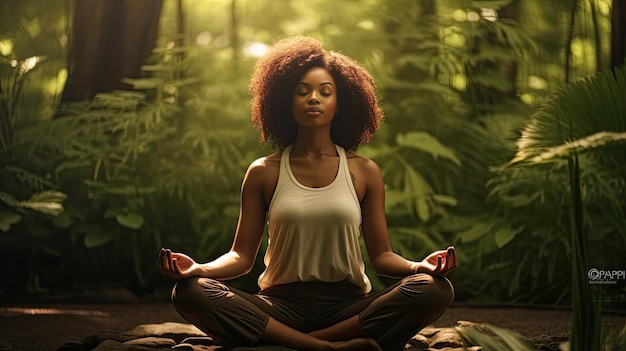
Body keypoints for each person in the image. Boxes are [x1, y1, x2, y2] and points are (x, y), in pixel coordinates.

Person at [158, 35, 458, 351]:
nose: (313, 98)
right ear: (286, 101)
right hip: (278, 307)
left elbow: (382, 257)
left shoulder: (364, 171)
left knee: (433, 289)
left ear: (340, 103)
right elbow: (241, 257)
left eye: (324, 92)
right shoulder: (264, 171)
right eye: (302, 92)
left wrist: (419, 267)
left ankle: (294, 345)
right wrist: (198, 270)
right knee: (190, 292)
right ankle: (329, 348)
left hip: (348, 308)